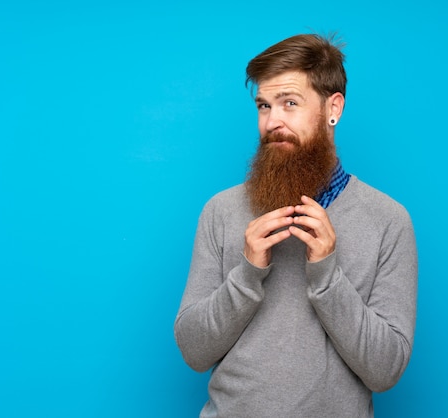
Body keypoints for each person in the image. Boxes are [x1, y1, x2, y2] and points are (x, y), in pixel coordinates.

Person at [174, 33, 418, 417]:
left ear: (333, 107)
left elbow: (385, 371)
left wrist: (327, 273)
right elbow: (193, 351)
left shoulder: (388, 221)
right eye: (264, 105)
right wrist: (247, 272)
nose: (273, 122)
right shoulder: (220, 211)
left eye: (290, 103)